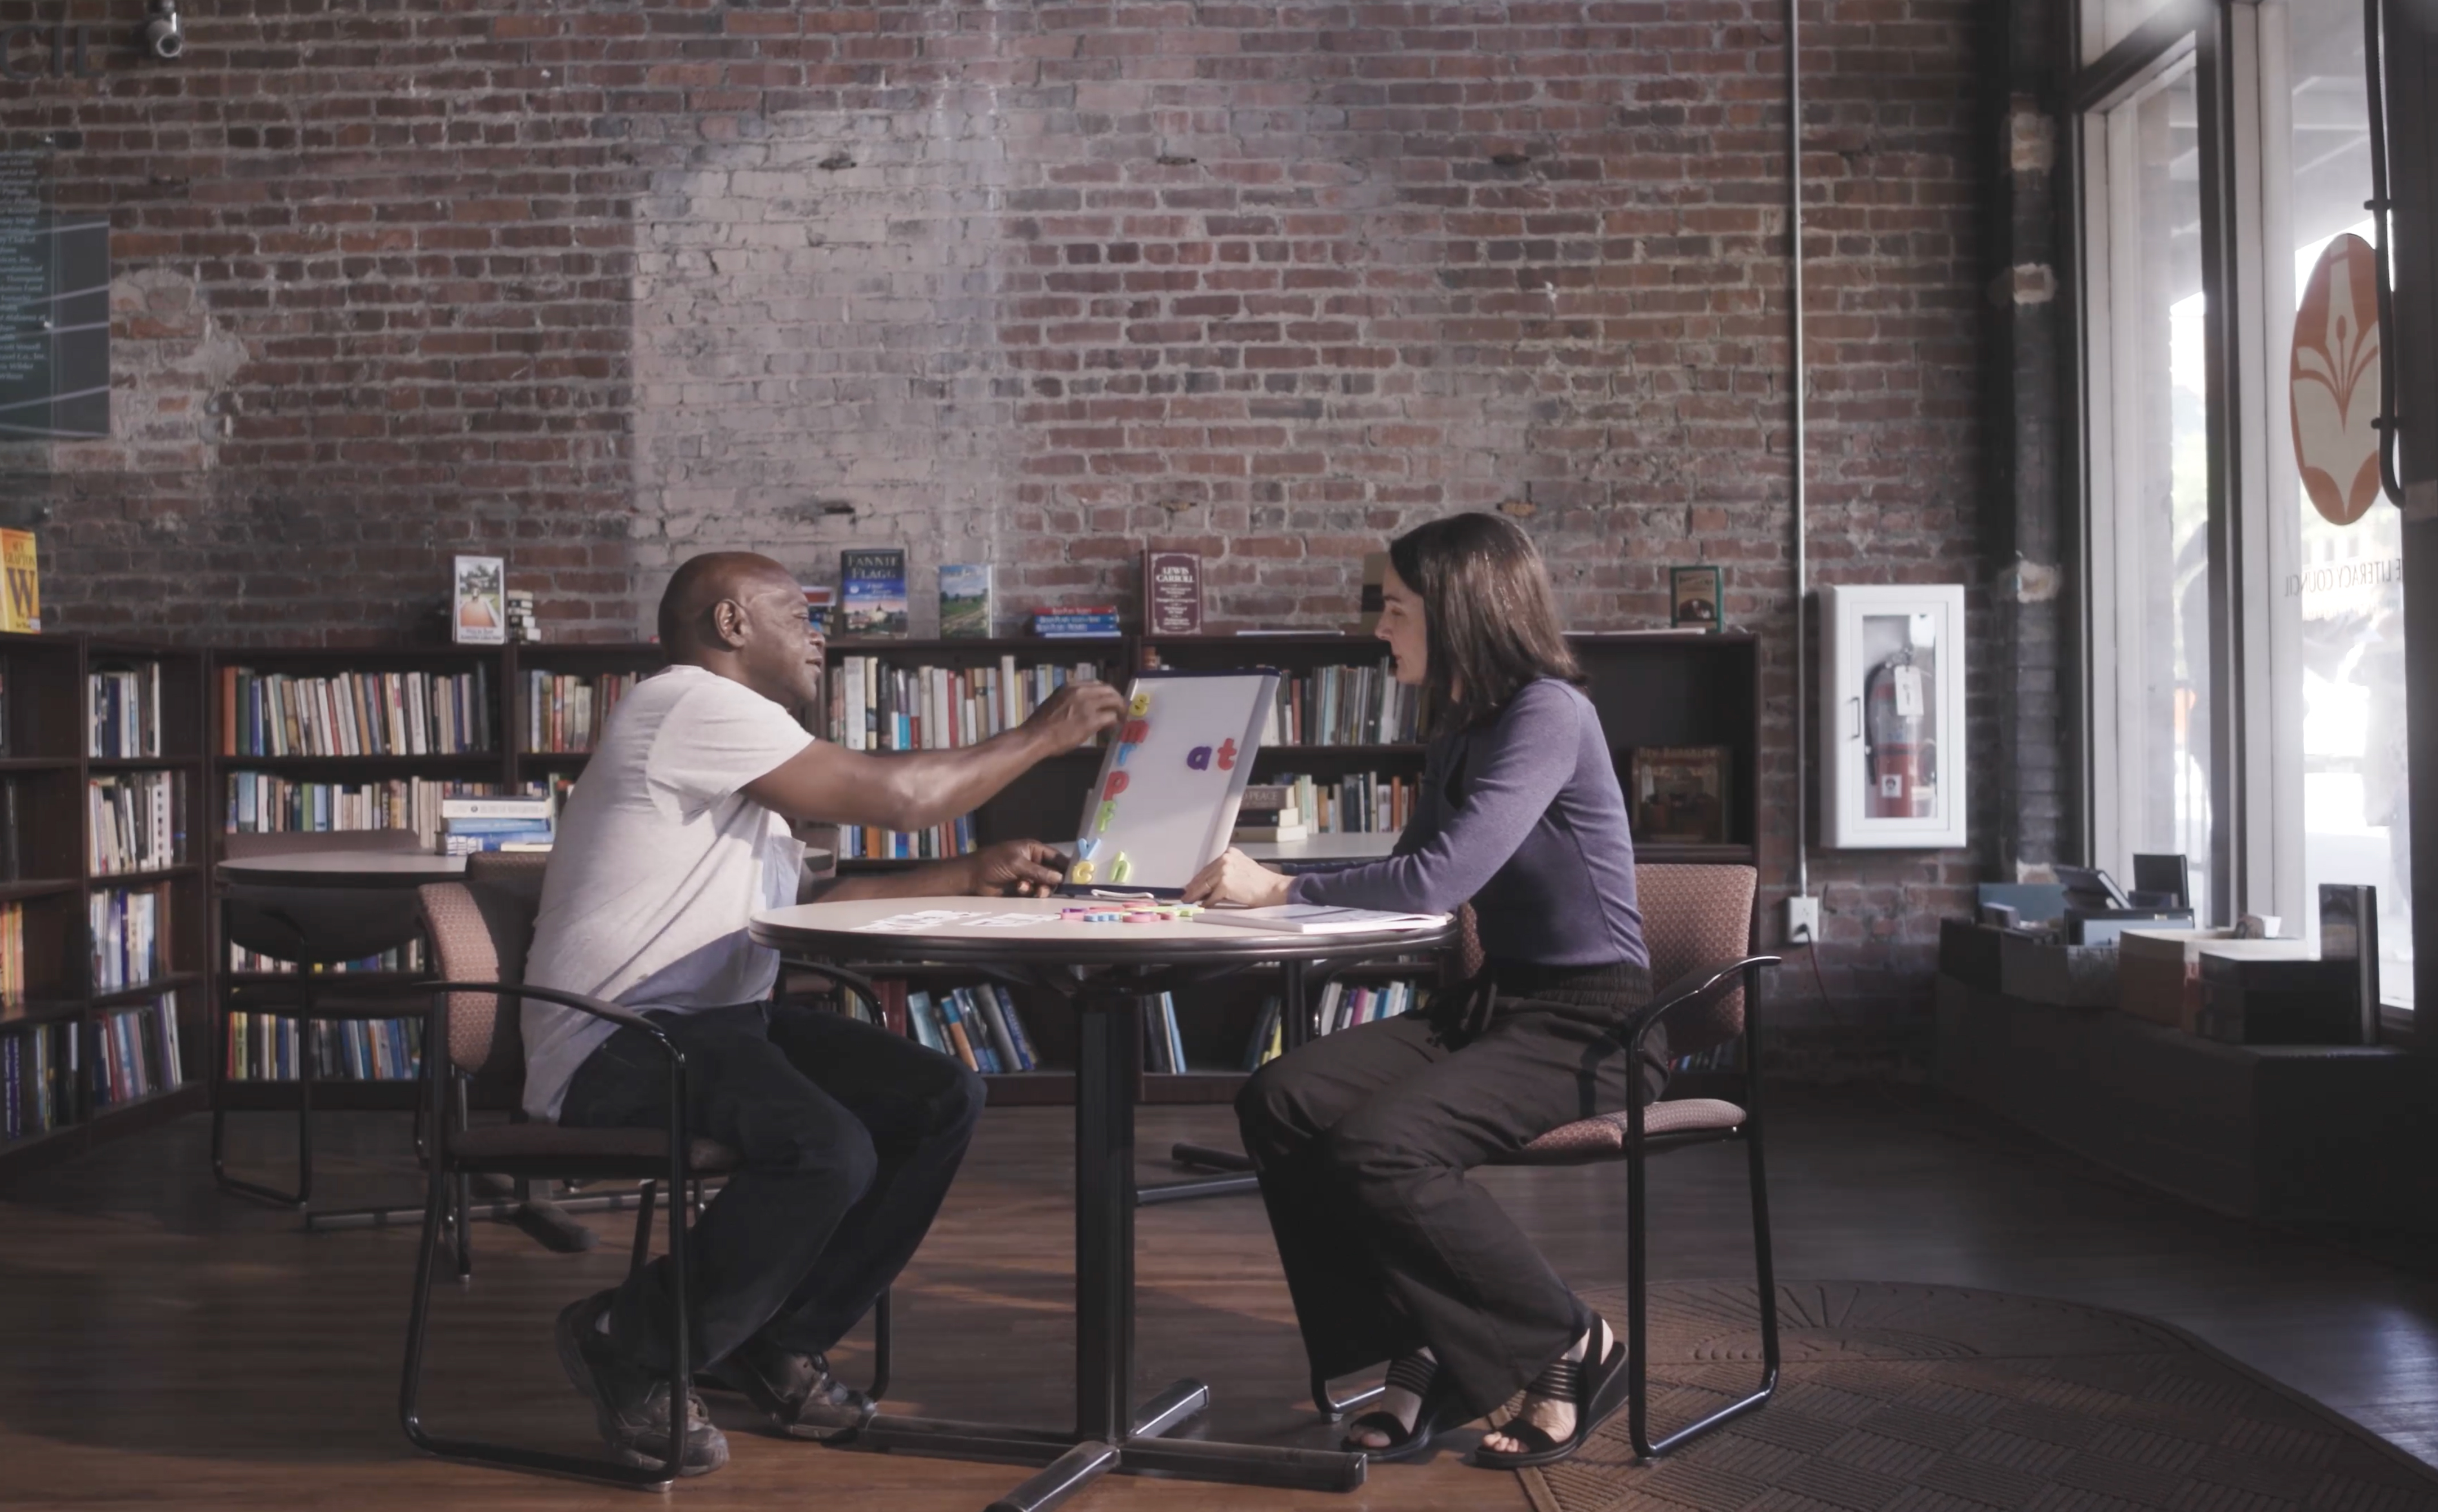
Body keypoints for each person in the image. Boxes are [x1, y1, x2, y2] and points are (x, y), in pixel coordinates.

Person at [528, 551, 1124, 1475]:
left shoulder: (747, 744)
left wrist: (966, 876)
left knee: (937, 1096)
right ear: (730, 625)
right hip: (620, 1036)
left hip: (717, 1021)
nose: (821, 634)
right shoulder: (687, 702)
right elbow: (902, 799)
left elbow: (815, 899)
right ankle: (627, 1337)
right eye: (797, 614)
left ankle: (775, 1338)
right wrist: (1044, 734)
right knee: (824, 1148)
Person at [1185, 512, 1653, 1470]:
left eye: (1394, 607)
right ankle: (1428, 1348)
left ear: (1459, 609)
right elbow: (1407, 871)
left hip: (1592, 1025)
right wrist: (1257, 895)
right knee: (1280, 1099)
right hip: (1496, 1008)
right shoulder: (1463, 727)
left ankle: (1571, 1341)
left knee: (1380, 1151)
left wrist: (1277, 889)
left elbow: (1439, 882)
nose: (1377, 629)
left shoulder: (1547, 715)